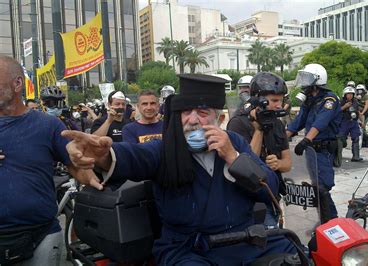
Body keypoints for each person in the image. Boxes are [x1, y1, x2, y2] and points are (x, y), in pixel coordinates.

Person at [61, 74, 295, 265]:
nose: (192, 120)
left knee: (298, 256)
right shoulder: (165, 148)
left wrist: (233, 158)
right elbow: (135, 157)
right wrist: (103, 155)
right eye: (186, 112)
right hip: (188, 250)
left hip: (245, 241)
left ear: (220, 117)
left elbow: (269, 189)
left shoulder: (236, 142)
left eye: (202, 113)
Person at [0, 55, 86, 265]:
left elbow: (78, 167)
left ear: (17, 83)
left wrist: (95, 169)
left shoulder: (49, 125)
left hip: (42, 236)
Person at [226, 72, 291, 228]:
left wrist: (278, 164)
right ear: (258, 99)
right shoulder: (238, 123)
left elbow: (287, 163)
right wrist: (259, 130)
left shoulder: (278, 123)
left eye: (281, 100)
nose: (279, 105)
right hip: (249, 200)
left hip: (272, 196)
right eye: (274, 100)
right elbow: (245, 165)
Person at [286, 63, 342, 220]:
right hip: (312, 151)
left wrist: (306, 140)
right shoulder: (309, 100)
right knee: (315, 188)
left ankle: (331, 221)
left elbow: (321, 122)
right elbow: (298, 122)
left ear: (317, 80)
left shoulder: (329, 99)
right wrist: (281, 139)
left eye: (306, 78)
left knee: (323, 187)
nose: (303, 82)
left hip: (323, 149)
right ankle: (325, 221)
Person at [339, 86, 363, 162]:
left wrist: (361, 121)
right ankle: (337, 155)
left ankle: (356, 156)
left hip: (353, 122)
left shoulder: (355, 102)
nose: (350, 95)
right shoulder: (341, 102)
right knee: (341, 138)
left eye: (351, 94)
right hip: (344, 121)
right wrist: (345, 106)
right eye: (348, 94)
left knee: (356, 138)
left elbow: (358, 112)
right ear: (345, 94)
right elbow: (337, 111)